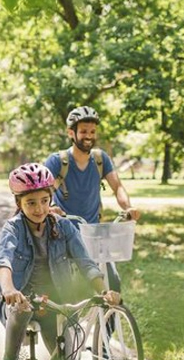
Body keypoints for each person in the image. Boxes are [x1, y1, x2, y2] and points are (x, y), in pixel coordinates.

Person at [0, 163, 121, 360]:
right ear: (19, 203)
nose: (39, 208)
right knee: (22, 308)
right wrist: (8, 289)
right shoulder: (13, 228)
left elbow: (85, 262)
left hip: (53, 302)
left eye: (44, 201)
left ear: (51, 199)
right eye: (31, 202)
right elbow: (3, 261)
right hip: (20, 298)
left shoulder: (64, 227)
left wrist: (103, 291)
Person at [44, 105, 140, 291]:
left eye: (92, 131)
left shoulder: (100, 159)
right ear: (71, 133)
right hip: (65, 233)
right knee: (67, 288)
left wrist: (128, 208)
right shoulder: (58, 161)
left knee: (112, 283)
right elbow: (45, 193)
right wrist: (51, 207)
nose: (89, 136)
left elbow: (117, 186)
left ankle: (109, 319)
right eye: (84, 131)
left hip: (94, 233)